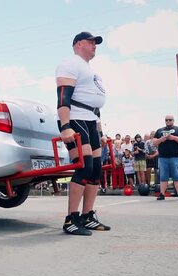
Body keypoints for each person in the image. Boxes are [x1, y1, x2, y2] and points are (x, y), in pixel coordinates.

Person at [56, 31, 110, 235]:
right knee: (85, 166)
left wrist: (100, 130)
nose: (94, 45)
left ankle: (88, 216)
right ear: (79, 44)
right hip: (75, 118)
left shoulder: (90, 70)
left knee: (96, 169)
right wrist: (65, 126)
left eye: (96, 42)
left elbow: (94, 105)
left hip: (90, 120)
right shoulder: (70, 63)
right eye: (91, 42)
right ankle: (71, 219)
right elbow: (63, 96)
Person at [153, 115, 178, 201]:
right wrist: (162, 139)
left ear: (173, 120)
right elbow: (154, 142)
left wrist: (173, 138)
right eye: (166, 120)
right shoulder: (160, 130)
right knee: (163, 176)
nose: (168, 121)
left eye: (170, 120)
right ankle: (162, 194)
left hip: (175, 157)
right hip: (163, 157)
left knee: (177, 175)